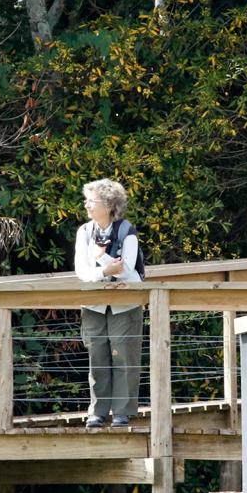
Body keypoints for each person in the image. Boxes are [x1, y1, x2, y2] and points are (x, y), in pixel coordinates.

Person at [74, 179, 143, 428]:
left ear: (109, 205)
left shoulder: (127, 231)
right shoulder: (84, 232)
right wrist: (105, 270)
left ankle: (122, 412)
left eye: (91, 201)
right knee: (97, 357)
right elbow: (82, 271)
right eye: (87, 200)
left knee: (124, 356)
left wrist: (101, 258)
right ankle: (98, 411)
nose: (86, 205)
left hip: (125, 304)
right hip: (93, 303)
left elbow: (127, 270)